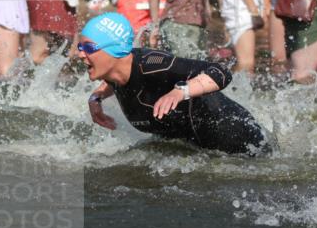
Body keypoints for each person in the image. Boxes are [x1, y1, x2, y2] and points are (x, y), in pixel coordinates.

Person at [81, 12, 270, 156]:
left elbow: (221, 72)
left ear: (114, 50)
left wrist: (180, 92)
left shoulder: (153, 65)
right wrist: (95, 98)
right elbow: (111, 82)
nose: (80, 54)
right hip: (200, 150)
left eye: (88, 48)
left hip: (240, 141)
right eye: (80, 47)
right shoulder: (116, 75)